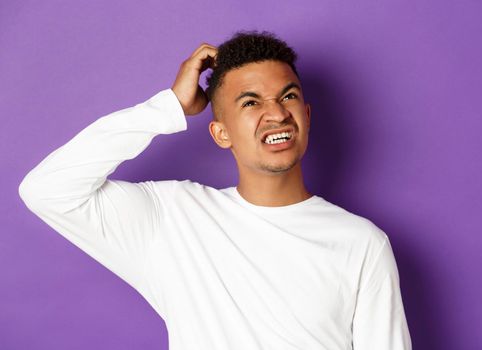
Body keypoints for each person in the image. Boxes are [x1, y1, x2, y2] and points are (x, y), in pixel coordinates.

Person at [18, 30, 412, 350]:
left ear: (306, 116)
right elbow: (47, 190)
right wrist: (169, 106)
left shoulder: (361, 243)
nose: (276, 114)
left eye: (288, 96)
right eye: (250, 102)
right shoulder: (173, 219)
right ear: (221, 133)